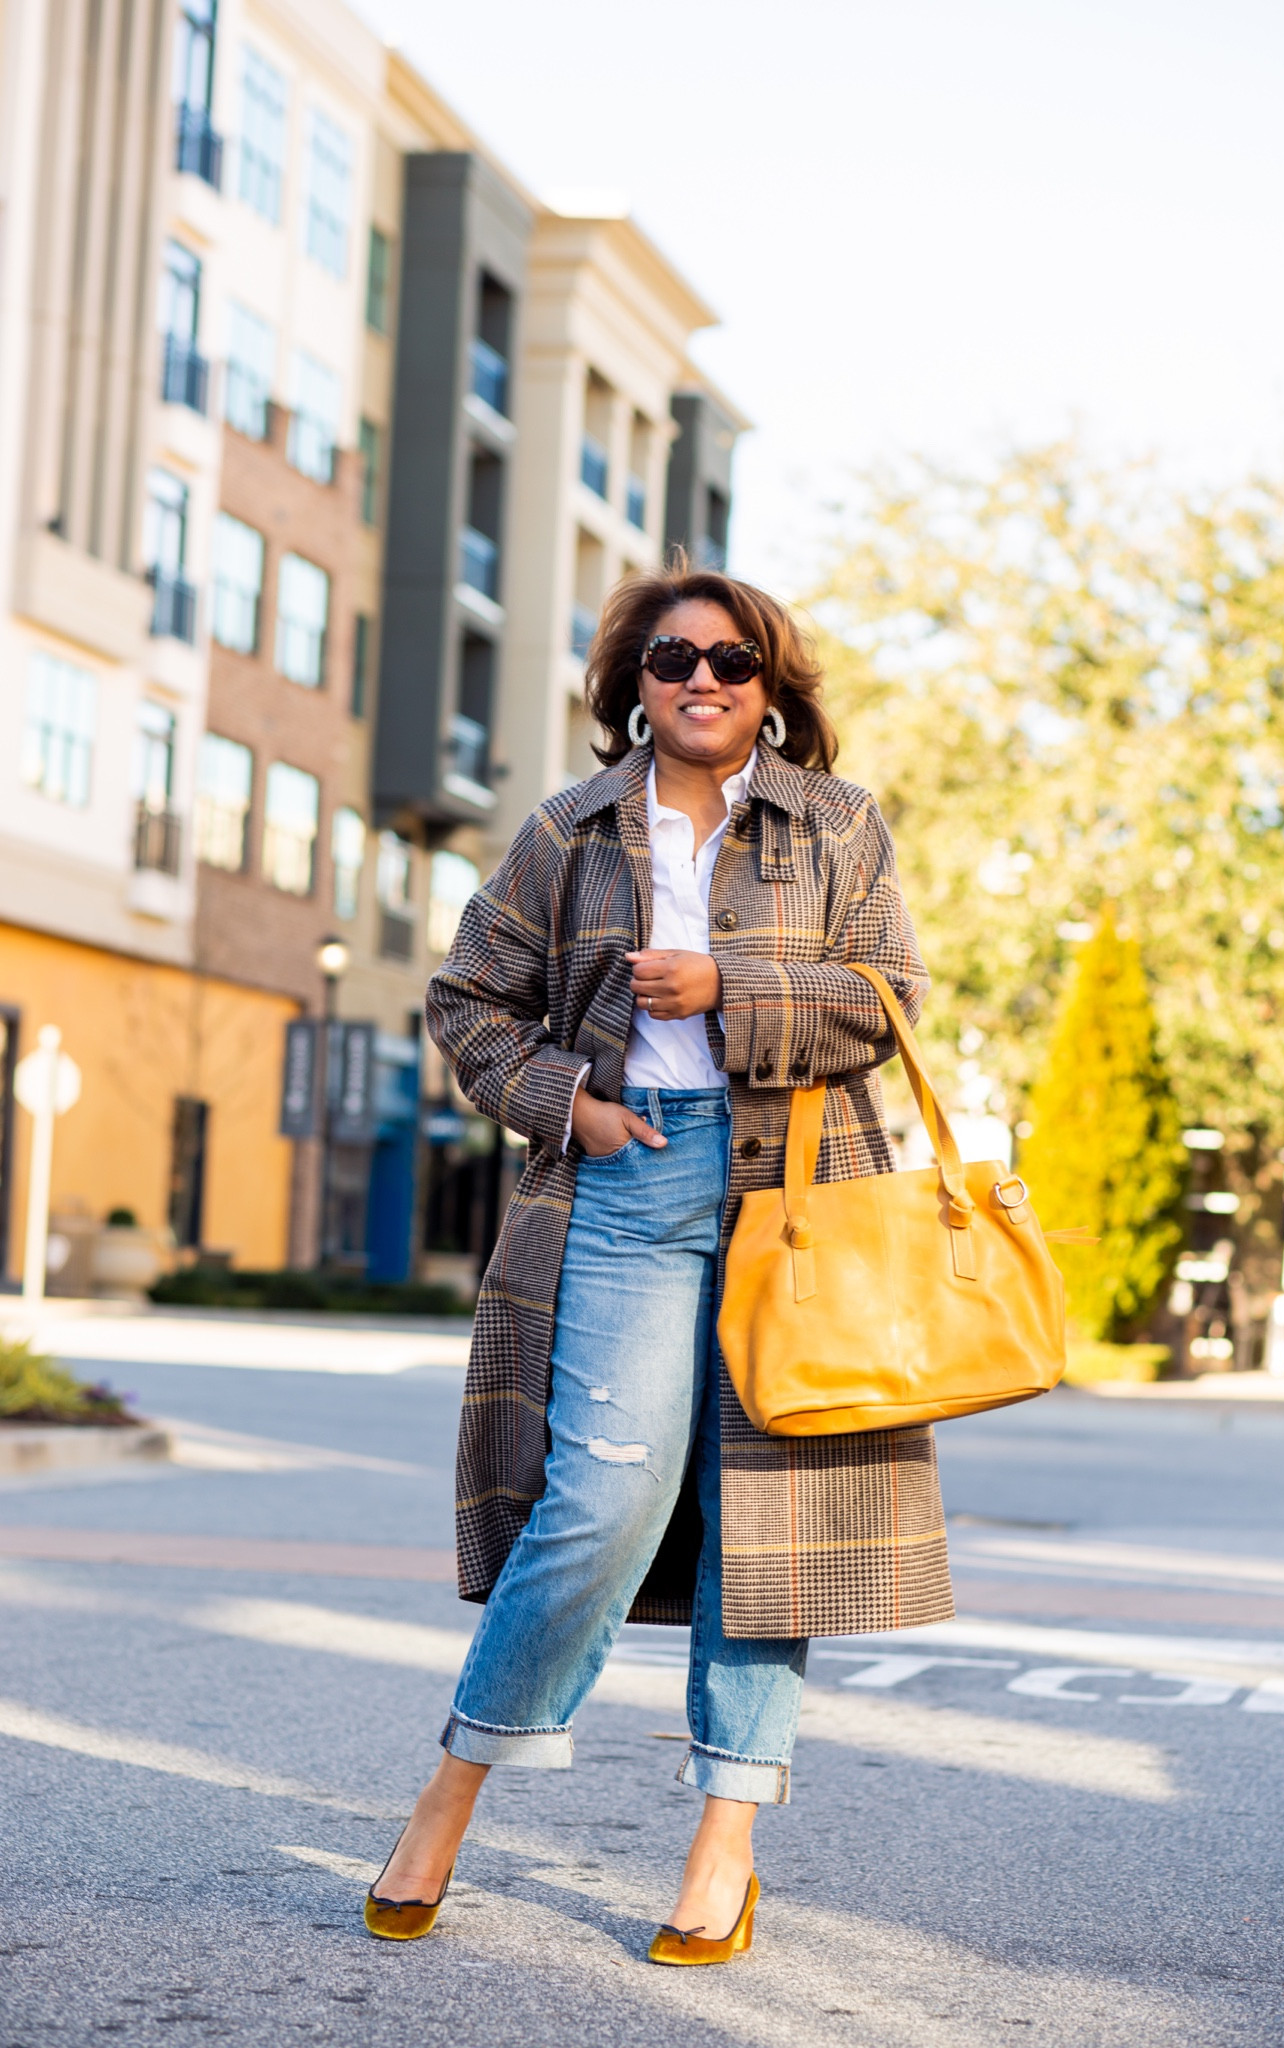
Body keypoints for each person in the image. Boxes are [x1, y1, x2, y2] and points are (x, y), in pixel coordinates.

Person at [364, 562, 954, 1963]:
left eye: (732, 661)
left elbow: (893, 998)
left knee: (771, 1522)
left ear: (769, 686)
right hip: (627, 1176)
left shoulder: (835, 823)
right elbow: (466, 998)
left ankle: (723, 1846)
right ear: (633, 678)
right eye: (673, 657)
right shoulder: (564, 831)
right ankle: (450, 1794)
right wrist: (574, 1104)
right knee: (601, 1500)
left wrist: (733, 989)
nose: (703, 679)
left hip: (794, 1196)